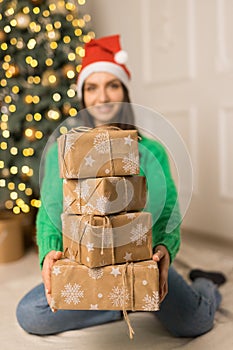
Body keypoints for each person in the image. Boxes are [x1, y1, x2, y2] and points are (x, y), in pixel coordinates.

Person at [16, 34, 226, 337]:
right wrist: (49, 252)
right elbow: (49, 210)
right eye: (92, 87)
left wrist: (165, 249)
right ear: (83, 96)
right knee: (31, 314)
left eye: (111, 85)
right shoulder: (62, 154)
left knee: (193, 321)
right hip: (87, 261)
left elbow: (167, 210)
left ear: (124, 92)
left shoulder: (150, 151)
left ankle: (202, 283)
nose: (102, 97)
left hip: (140, 260)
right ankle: (124, 300)